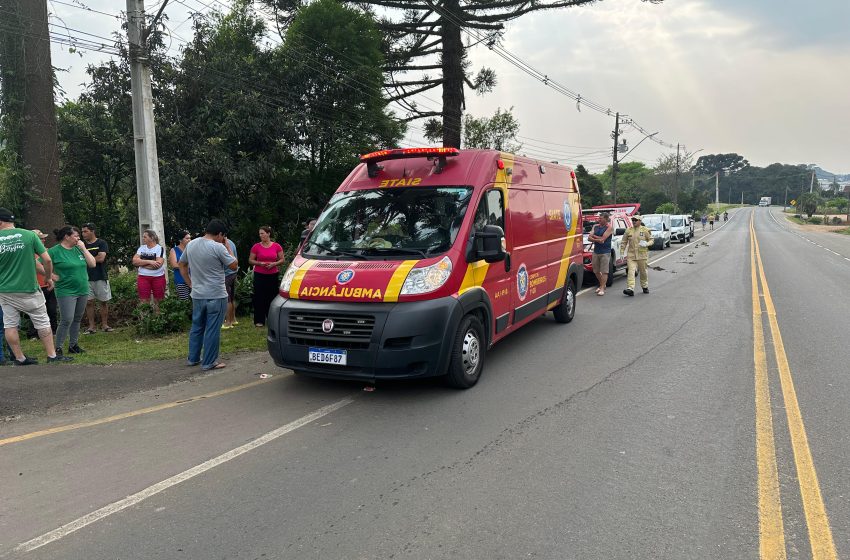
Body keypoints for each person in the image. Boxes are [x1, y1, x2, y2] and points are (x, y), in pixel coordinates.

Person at [0, 207, 72, 364]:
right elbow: (46, 260)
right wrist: (48, 277)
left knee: (10, 324)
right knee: (42, 321)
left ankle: (19, 358)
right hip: (28, 288)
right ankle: (52, 356)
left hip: (5, 290)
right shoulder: (29, 236)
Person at [178, 219, 237, 371]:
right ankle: (209, 362)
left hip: (197, 294)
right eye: (223, 237)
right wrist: (228, 247)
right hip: (216, 294)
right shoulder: (218, 247)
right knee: (212, 328)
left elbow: (181, 264)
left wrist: (189, 282)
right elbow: (233, 265)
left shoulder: (191, 244)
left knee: (197, 326)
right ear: (220, 234)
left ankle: (193, 358)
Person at [49, 226, 97, 355]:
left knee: (77, 318)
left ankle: (73, 345)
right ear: (67, 236)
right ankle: (58, 348)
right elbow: (37, 263)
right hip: (65, 290)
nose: (79, 238)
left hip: (82, 288)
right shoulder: (54, 251)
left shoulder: (79, 249)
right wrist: (50, 275)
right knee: (66, 319)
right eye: (76, 236)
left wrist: (84, 249)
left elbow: (92, 264)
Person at [248, 226, 284, 327]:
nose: (261, 235)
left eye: (262, 233)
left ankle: (271, 318)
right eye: (260, 234)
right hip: (260, 274)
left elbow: (282, 259)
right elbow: (250, 260)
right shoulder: (256, 246)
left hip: (272, 274)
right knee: (259, 297)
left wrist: (274, 264)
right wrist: (259, 263)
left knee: (272, 296)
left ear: (268, 233)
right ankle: (259, 320)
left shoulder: (277, 246)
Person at [25, 229, 58, 339]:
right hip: (34, 286)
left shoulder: (47, 252)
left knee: (52, 309)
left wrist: (52, 278)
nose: (43, 240)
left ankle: (54, 331)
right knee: (35, 311)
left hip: (48, 285)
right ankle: (33, 334)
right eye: (40, 238)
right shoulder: (26, 253)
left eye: (44, 238)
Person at [81, 223, 113, 333]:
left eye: (85, 231)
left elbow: (101, 258)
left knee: (103, 301)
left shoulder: (101, 243)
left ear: (92, 231)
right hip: (85, 277)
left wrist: (85, 260)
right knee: (89, 302)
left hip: (100, 276)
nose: (83, 234)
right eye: (82, 232)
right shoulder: (81, 245)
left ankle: (105, 325)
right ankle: (91, 327)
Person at [132, 229, 167, 313]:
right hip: (143, 277)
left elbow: (157, 266)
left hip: (158, 277)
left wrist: (141, 263)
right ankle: (145, 322)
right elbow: (134, 261)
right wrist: (149, 262)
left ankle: (158, 321)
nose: (143, 238)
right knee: (144, 300)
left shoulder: (159, 248)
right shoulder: (142, 248)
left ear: (152, 238)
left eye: (145, 237)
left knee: (159, 300)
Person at [619, 214, 653, 297]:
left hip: (642, 255)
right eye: (633, 220)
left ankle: (644, 286)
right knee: (631, 271)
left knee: (643, 271)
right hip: (631, 255)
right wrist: (622, 252)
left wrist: (647, 243)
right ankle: (630, 288)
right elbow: (624, 242)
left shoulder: (645, 230)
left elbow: (652, 240)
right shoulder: (628, 230)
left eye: (635, 220)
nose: (633, 221)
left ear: (640, 221)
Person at [587, 212, 613, 296]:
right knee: (596, 270)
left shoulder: (609, 228)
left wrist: (594, 237)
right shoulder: (595, 226)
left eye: (601, 218)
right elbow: (589, 238)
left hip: (605, 251)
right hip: (596, 251)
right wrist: (598, 239)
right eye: (599, 218)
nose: (599, 220)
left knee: (604, 271)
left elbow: (603, 239)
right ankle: (602, 284)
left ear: (606, 219)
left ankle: (602, 288)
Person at [169, 230, 192, 301]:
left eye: (190, 238)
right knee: (184, 302)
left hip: (193, 279)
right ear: (180, 240)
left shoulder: (192, 249)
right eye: (187, 238)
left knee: (195, 302)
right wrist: (187, 266)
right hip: (181, 280)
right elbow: (174, 264)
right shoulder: (174, 250)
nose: (189, 240)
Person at [222, 234, 239, 329]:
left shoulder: (224, 244)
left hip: (227, 273)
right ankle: (233, 319)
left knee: (227, 298)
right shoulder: (231, 242)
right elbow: (236, 258)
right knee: (232, 297)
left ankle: (228, 322)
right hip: (233, 272)